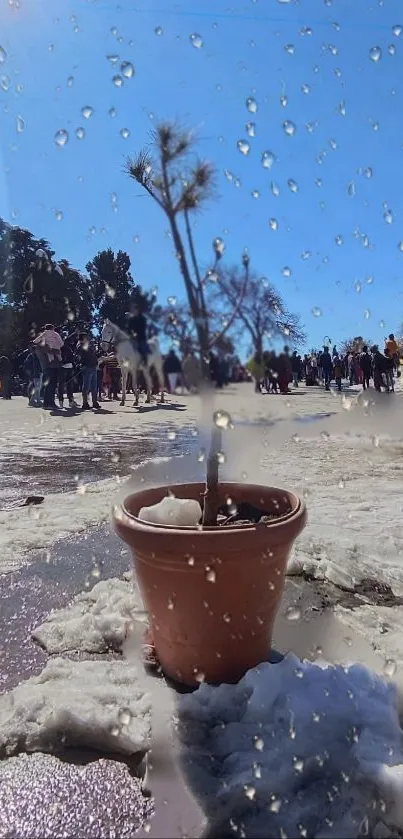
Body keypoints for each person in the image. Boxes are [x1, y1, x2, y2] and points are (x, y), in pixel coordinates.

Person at [33, 324, 63, 409]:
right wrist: (56, 351)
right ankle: (50, 403)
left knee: (49, 385)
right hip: (50, 366)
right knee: (51, 385)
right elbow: (54, 350)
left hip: (47, 367)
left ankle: (46, 404)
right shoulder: (42, 346)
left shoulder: (39, 346)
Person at [76, 332, 101, 410]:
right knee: (86, 387)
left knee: (94, 386)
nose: (88, 338)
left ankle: (94, 402)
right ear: (83, 338)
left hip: (93, 367)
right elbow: (79, 357)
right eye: (86, 337)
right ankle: (85, 403)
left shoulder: (89, 346)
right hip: (86, 367)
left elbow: (94, 355)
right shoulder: (80, 346)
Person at [58, 332, 78, 408]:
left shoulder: (59, 345)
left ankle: (61, 402)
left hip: (62, 366)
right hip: (68, 366)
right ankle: (70, 401)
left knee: (61, 385)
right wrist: (75, 333)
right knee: (69, 385)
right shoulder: (66, 345)